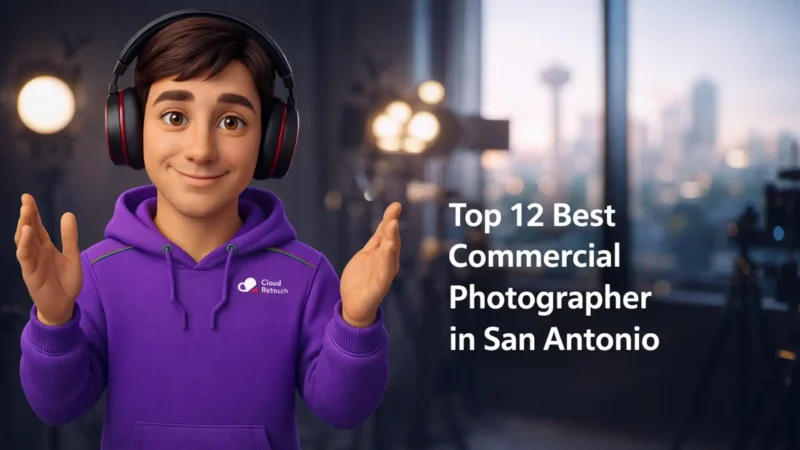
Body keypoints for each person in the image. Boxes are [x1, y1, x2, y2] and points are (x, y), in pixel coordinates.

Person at [14, 12, 401, 450]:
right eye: (175, 117)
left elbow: (343, 410)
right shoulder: (96, 272)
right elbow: (58, 408)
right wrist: (54, 321)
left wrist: (356, 322)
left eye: (231, 122)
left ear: (271, 141)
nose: (201, 151)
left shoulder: (305, 274)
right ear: (131, 129)